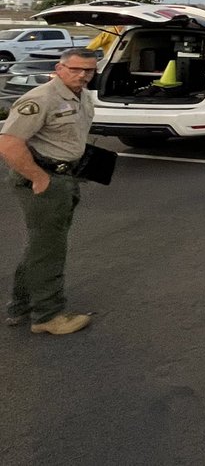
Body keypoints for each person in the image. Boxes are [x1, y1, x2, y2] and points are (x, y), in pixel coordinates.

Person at [1, 48, 100, 335]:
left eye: (89, 70)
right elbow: (8, 143)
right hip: (45, 178)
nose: (82, 75)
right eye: (76, 69)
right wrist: (39, 178)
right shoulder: (41, 98)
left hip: (65, 176)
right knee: (50, 249)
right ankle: (48, 315)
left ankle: (21, 306)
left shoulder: (81, 95)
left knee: (41, 246)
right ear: (59, 68)